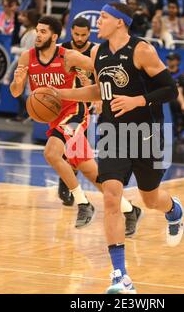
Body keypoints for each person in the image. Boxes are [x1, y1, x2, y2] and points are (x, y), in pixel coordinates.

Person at [53, 2, 184, 294]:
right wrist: (61, 94)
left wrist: (138, 101)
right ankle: (119, 276)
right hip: (113, 132)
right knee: (111, 198)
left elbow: (170, 89)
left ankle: (174, 210)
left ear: (120, 23)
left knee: (150, 199)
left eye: (103, 17)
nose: (97, 21)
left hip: (146, 132)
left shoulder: (142, 50)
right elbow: (100, 90)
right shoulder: (99, 52)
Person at [10, 16, 143, 235]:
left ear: (54, 37)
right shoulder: (27, 57)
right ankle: (130, 210)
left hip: (74, 113)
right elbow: (16, 92)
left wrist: (98, 92)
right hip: (54, 118)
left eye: (43, 31)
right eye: (37, 30)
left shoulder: (68, 56)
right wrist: (18, 80)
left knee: (52, 153)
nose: (38, 35)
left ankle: (83, 203)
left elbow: (101, 67)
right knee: (92, 172)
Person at [58, 16, 96, 207]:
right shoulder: (62, 49)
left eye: (83, 35)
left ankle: (69, 183)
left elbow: (101, 79)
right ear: (71, 31)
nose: (79, 38)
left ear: (89, 33)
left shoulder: (96, 51)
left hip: (85, 108)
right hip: (64, 106)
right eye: (76, 34)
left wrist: (95, 92)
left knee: (77, 152)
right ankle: (66, 184)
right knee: (63, 148)